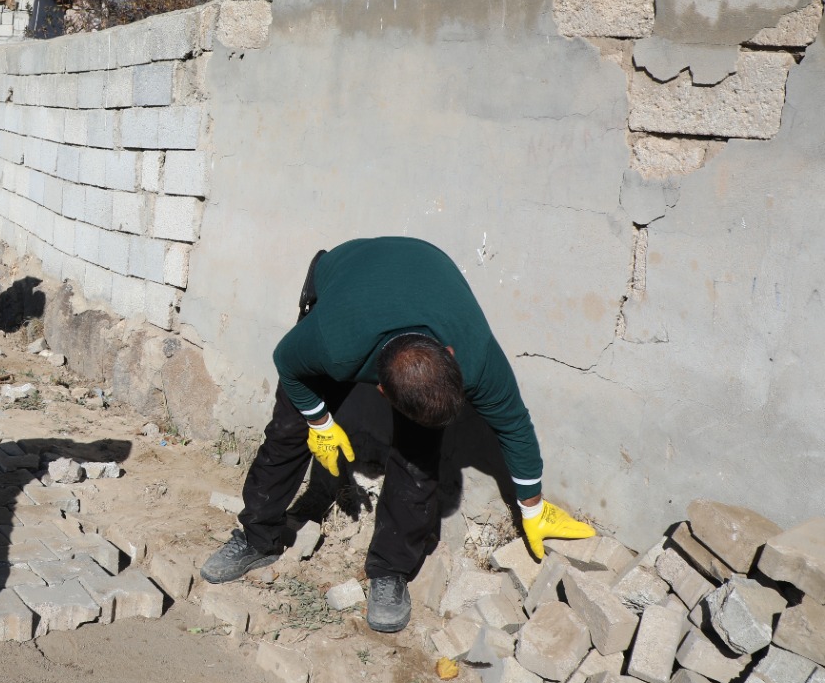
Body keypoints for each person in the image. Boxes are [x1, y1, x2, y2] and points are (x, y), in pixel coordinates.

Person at [200, 236, 594, 633]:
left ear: (450, 357)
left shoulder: (474, 351)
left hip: (422, 272)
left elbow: (514, 423)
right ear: (381, 390)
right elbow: (286, 362)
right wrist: (319, 422)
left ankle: (389, 571)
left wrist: (532, 506)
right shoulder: (333, 343)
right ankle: (256, 538)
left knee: (417, 456)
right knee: (289, 429)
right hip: (348, 279)